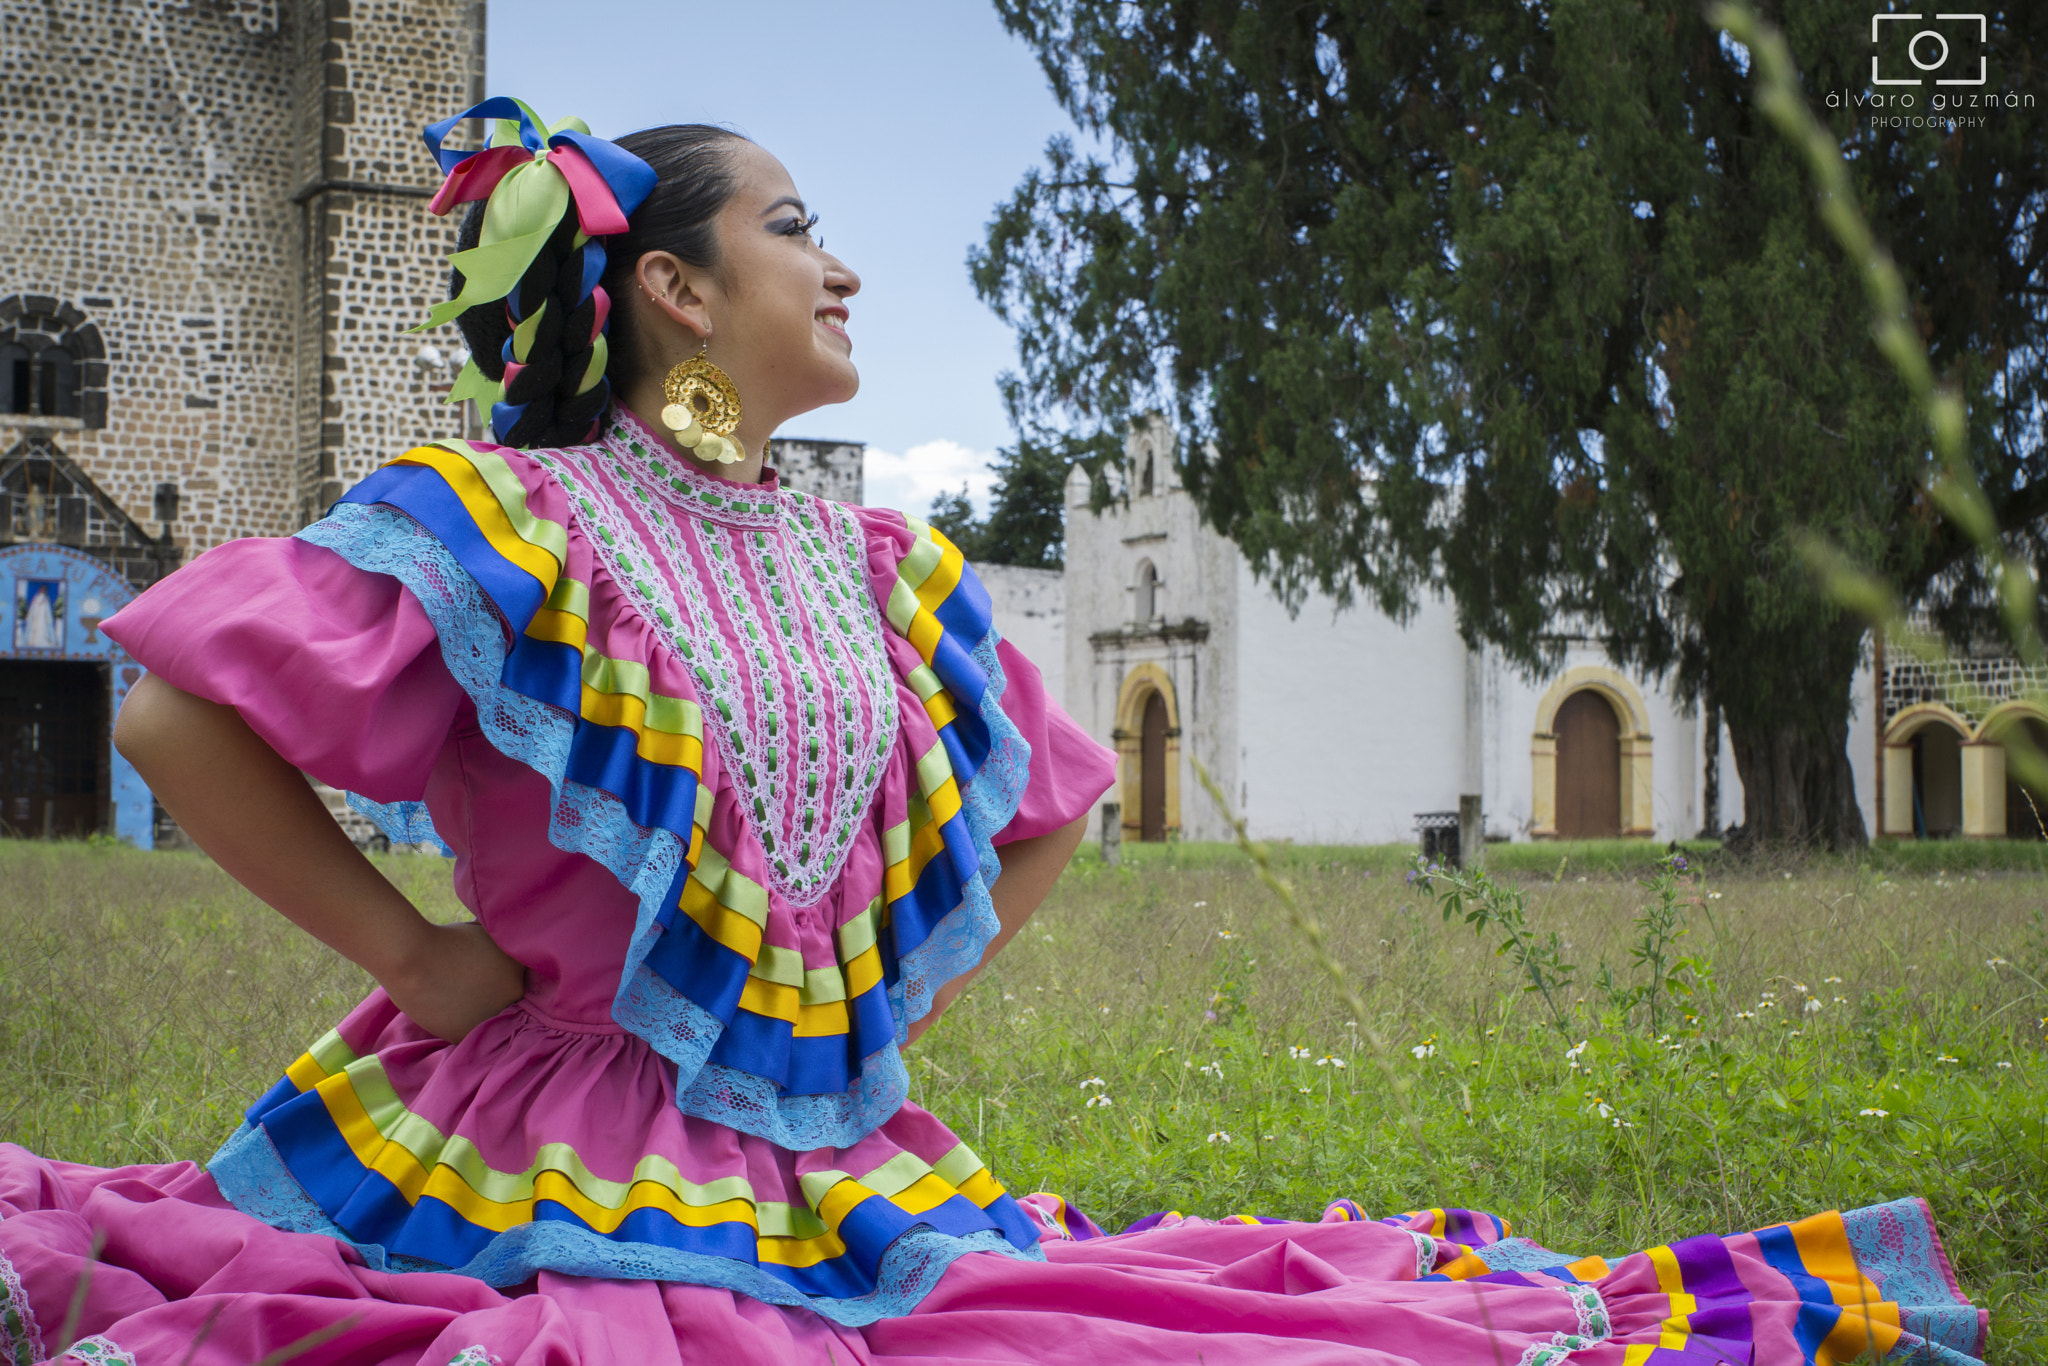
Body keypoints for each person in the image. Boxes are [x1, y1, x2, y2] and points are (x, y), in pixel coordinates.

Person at [0, 101, 1985, 1366]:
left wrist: (874, 993)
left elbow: (1056, 798)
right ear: (677, 290)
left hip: (830, 1143)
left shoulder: (880, 563)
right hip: (519, 1132)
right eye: (797, 224)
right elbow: (180, 707)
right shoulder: (500, 524)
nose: (843, 259)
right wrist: (420, 953)